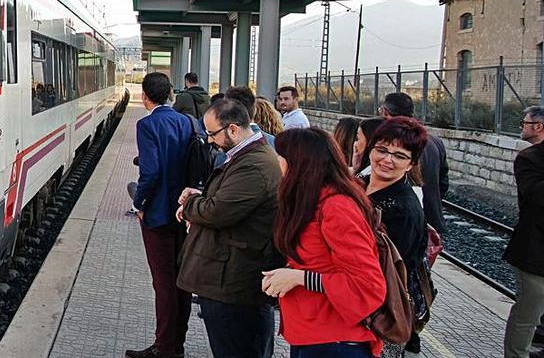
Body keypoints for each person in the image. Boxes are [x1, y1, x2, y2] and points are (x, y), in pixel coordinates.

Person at [261, 127, 386, 358]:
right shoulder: (314, 200)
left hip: (335, 341)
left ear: (299, 164)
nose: (276, 162)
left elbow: (368, 285)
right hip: (314, 335)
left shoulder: (336, 207)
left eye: (280, 157)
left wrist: (298, 278)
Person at [176, 98, 284, 358]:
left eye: (212, 134)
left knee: (235, 349)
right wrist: (201, 195)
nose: (209, 140)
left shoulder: (254, 165)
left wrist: (191, 203)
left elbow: (217, 211)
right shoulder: (246, 157)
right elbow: (226, 201)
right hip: (230, 277)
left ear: (233, 129)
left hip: (235, 284)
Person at [126, 72, 195, 358]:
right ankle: (177, 341)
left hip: (158, 215)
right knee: (182, 279)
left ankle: (165, 347)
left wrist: (138, 204)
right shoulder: (187, 122)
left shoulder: (147, 125)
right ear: (170, 94)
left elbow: (151, 172)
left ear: (144, 96)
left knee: (163, 282)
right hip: (185, 211)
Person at [362, 117, 430, 357]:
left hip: (380, 314)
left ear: (411, 164)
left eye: (399, 155)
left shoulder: (403, 210)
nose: (387, 160)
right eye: (382, 150)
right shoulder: (360, 183)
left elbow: (389, 271)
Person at [504, 106, 544, 358]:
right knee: (528, 314)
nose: (522, 126)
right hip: (535, 251)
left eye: (524, 122)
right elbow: (536, 195)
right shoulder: (529, 158)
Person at [379, 92, 450, 234]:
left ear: (385, 112)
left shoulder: (387, 145)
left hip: (405, 225)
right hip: (432, 220)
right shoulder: (435, 141)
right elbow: (443, 183)